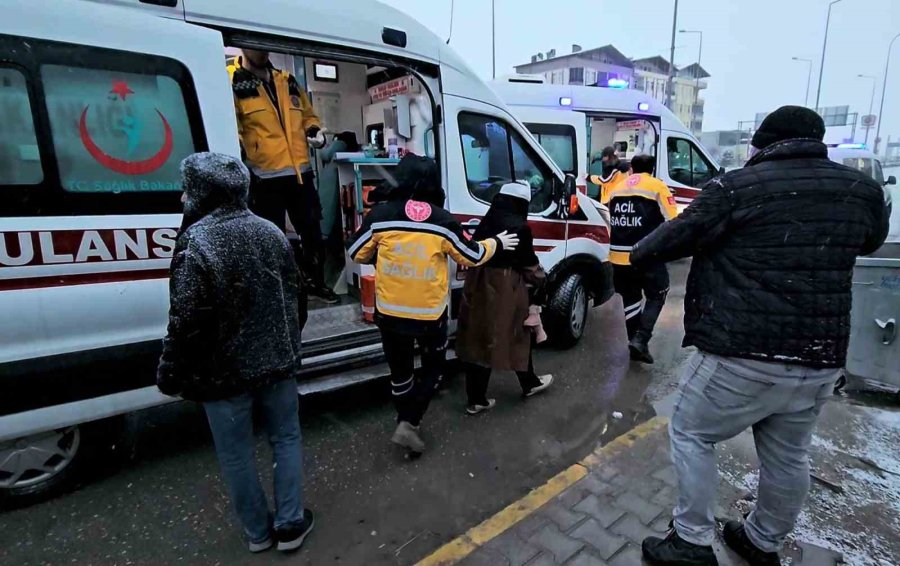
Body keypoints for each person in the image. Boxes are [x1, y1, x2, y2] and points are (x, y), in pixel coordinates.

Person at [634, 106, 889, 566]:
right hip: (821, 357)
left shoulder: (736, 187)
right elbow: (869, 242)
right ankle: (762, 541)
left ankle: (690, 540)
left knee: (691, 431)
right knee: (790, 455)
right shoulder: (862, 190)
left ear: (761, 144)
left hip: (743, 350)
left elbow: (658, 246)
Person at [157, 152, 313, 554]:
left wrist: (170, 371)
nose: (182, 198)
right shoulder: (271, 232)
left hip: (222, 373)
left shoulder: (198, 241)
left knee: (236, 454)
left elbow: (185, 318)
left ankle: (258, 534)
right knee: (286, 438)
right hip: (277, 363)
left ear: (201, 194)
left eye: (186, 190)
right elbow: (298, 297)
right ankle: (291, 523)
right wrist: (289, 342)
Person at [347, 154, 518, 454]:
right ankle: (409, 423)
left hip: (389, 313)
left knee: (400, 373)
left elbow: (356, 253)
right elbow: (472, 255)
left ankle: (405, 421)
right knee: (433, 371)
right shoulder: (442, 219)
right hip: (429, 316)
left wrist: (383, 256)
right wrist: (498, 243)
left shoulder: (381, 215)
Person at [227, 49, 338, 304]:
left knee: (312, 231)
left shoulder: (286, 80)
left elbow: (308, 116)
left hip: (300, 172)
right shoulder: (231, 79)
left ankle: (315, 282)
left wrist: (315, 133)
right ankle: (277, 290)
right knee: (270, 236)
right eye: (255, 46)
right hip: (263, 175)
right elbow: (233, 125)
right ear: (244, 47)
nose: (262, 51)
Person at [457, 182, 554, 415]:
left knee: (478, 339)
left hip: (476, 285)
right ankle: (530, 383)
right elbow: (529, 264)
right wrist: (542, 279)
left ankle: (476, 399)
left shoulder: (486, 222)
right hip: (504, 287)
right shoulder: (520, 228)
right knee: (518, 335)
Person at [604, 153, 677, 364]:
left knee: (630, 298)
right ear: (652, 169)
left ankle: (634, 341)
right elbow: (673, 220)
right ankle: (641, 339)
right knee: (658, 293)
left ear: (632, 169)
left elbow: (615, 220)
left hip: (618, 256)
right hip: (646, 254)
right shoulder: (657, 186)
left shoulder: (617, 189)